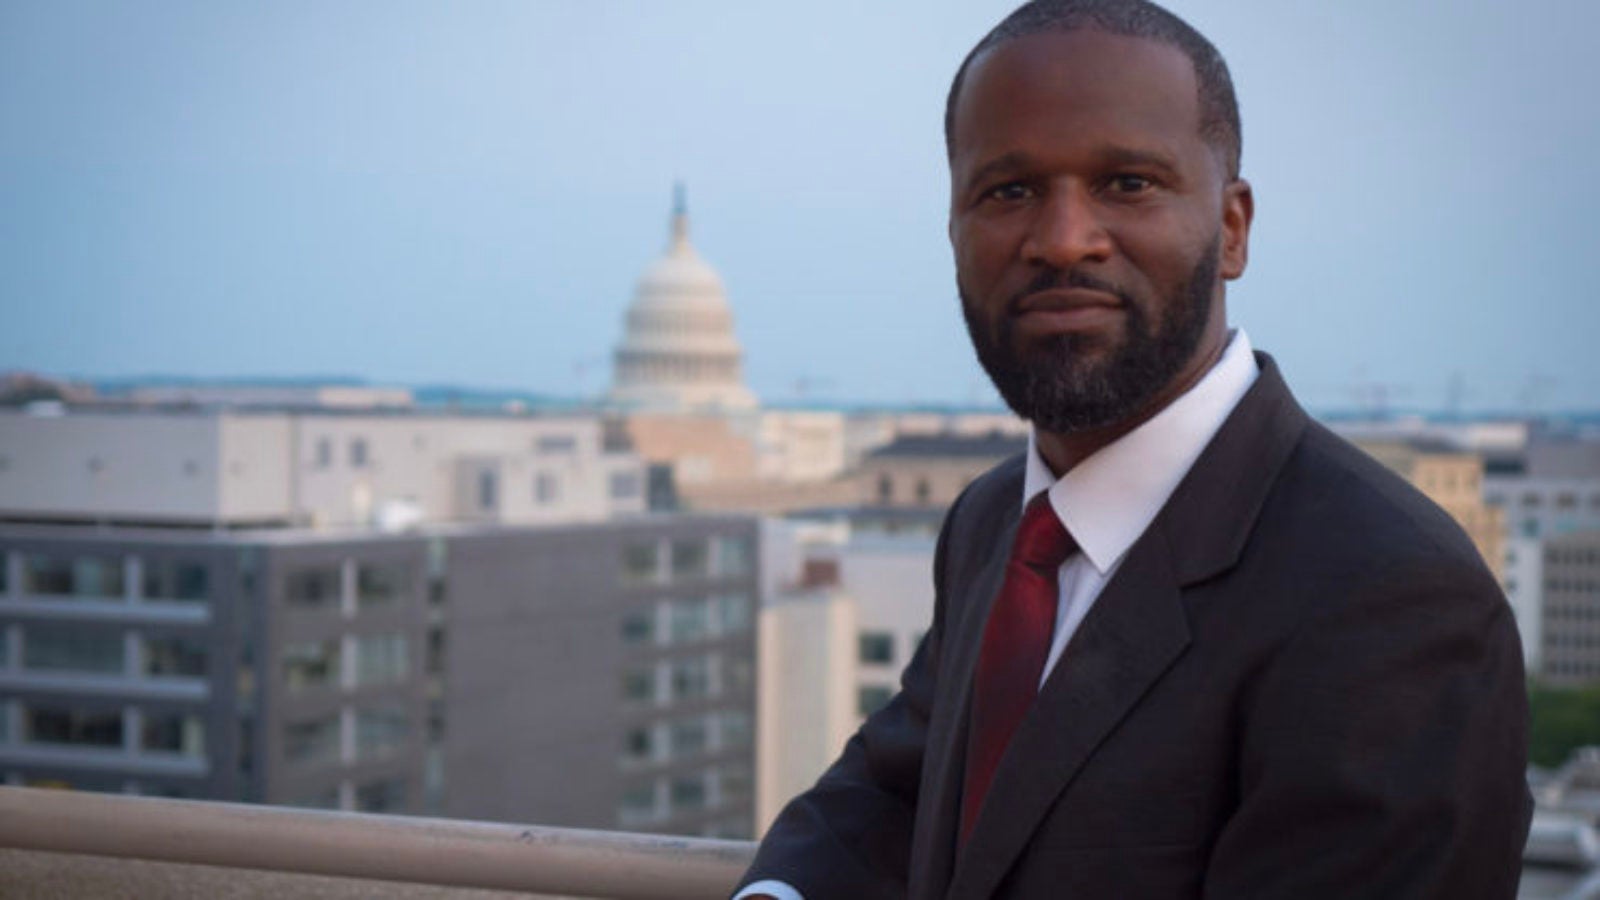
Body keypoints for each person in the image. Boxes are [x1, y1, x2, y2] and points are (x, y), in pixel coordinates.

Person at [734, 0, 1532, 897]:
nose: (1063, 239)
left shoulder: (1393, 596)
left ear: (1232, 229)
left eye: (1127, 183)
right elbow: (897, 795)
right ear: (954, 229)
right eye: (1009, 190)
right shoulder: (995, 522)